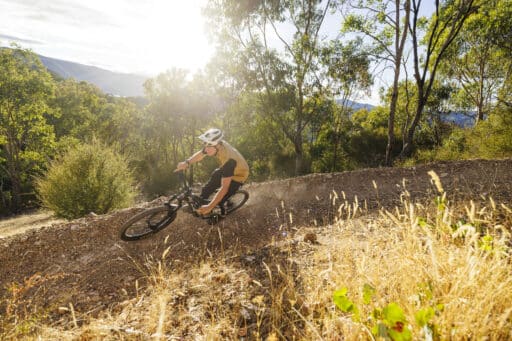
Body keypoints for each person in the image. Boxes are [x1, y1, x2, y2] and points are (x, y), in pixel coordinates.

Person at [175, 128, 249, 216]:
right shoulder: (215, 145)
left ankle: (221, 212)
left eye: (209, 146)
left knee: (220, 201)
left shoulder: (229, 161)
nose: (206, 149)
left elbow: (224, 188)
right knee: (208, 186)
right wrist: (187, 162)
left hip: (239, 175)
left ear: (217, 146)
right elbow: (201, 154)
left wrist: (210, 206)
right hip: (227, 168)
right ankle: (200, 203)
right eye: (205, 145)